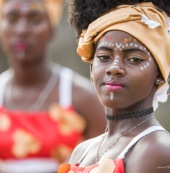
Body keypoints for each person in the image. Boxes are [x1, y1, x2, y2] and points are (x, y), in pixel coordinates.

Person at [58, 0, 170, 172]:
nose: (114, 68)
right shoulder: (82, 151)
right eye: (104, 57)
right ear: (91, 66)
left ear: (159, 73)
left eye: (134, 59)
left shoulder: (155, 149)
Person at [0, 0, 106, 172]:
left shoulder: (83, 98)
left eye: (35, 19)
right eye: (12, 18)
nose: (21, 30)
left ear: (52, 28)